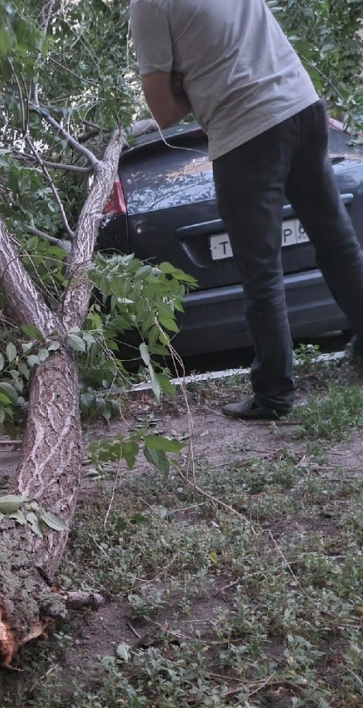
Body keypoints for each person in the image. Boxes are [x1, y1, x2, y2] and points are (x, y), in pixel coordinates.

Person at [129, 0, 363, 419]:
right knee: (339, 245)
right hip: (303, 106)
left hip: (247, 133)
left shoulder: (150, 5)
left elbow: (164, 112)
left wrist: (190, 80)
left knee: (261, 271)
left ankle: (274, 395)